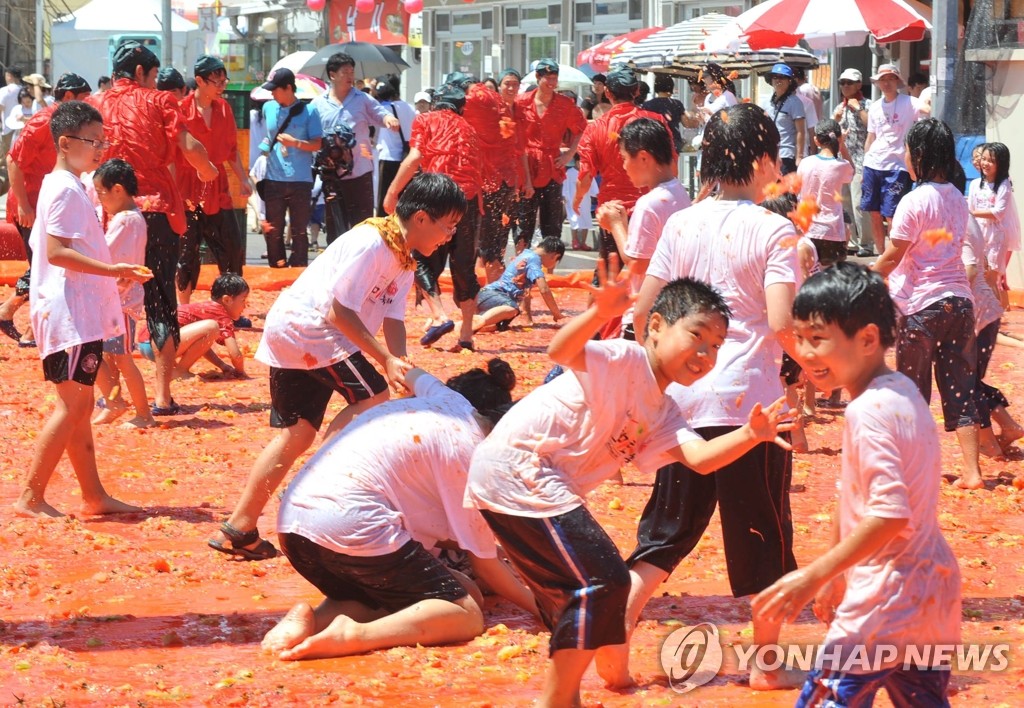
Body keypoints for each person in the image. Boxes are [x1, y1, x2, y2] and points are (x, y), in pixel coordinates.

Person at [467, 274, 795, 707]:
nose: (704, 354)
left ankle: (575, 690)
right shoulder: (625, 359)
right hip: (521, 473)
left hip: (536, 488)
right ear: (656, 326)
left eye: (716, 346)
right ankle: (559, 699)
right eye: (696, 336)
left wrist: (751, 435)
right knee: (602, 582)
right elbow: (560, 351)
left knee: (593, 588)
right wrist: (599, 314)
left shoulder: (664, 411)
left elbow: (699, 458)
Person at [602, 103, 803, 692]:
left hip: (683, 405)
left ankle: (613, 654)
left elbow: (645, 315)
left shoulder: (681, 223)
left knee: (663, 536)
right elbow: (781, 320)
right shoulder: (774, 228)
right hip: (753, 407)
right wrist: (817, 362)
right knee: (763, 533)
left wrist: (655, 384)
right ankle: (766, 668)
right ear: (763, 158)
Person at [207, 173, 465, 561]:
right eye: (448, 227)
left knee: (295, 434)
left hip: (298, 333)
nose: (449, 237)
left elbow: (393, 318)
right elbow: (338, 311)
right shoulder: (373, 242)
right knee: (374, 396)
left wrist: (402, 365)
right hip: (311, 331)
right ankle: (320, 482)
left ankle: (239, 527)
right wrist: (385, 363)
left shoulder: (404, 260)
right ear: (423, 218)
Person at [753, 263, 961, 708]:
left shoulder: (866, 411)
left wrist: (814, 575)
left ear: (867, 339)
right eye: (800, 338)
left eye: (818, 338)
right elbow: (856, 496)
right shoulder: (901, 388)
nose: (805, 353)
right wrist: (839, 575)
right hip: (933, 589)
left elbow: (889, 513)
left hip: (886, 594)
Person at [261, 360, 538, 661]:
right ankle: (354, 636)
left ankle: (314, 620)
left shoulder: (451, 400)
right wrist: (548, 608)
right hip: (351, 524)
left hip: (294, 527)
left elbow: (412, 373)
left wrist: (390, 359)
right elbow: (487, 566)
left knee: (428, 594)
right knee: (467, 610)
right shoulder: (474, 457)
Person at [14, 101, 152, 518]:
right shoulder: (63, 188)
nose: (100, 149)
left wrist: (110, 274)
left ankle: (93, 495)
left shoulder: (70, 186)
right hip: (68, 313)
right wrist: (112, 269)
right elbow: (57, 252)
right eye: (93, 141)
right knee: (73, 407)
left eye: (102, 140)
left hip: (77, 312)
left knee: (80, 405)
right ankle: (32, 496)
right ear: (64, 142)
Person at [96, 40, 219, 417]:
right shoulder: (159, 101)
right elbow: (190, 145)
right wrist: (207, 171)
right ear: (139, 73)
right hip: (156, 211)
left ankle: (112, 394)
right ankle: (163, 397)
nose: (152, 83)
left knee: (103, 299)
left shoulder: (96, 104)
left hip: (111, 215)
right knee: (160, 301)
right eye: (151, 76)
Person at [872, 119, 982, 489]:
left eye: (906, 150)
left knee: (912, 391)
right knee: (961, 388)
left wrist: (863, 279)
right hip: (960, 306)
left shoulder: (913, 200)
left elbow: (893, 256)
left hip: (921, 307)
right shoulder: (957, 196)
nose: (903, 156)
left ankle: (914, 471)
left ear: (917, 155)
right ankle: (972, 472)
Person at [383, 84, 482, 352]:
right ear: (460, 108)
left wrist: (392, 193)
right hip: (469, 201)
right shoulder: (469, 128)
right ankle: (466, 334)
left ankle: (440, 315)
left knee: (417, 257)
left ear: (437, 103)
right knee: (465, 267)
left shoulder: (425, 119)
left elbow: (415, 157)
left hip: (439, 193)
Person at [0, 72, 92, 349]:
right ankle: (28, 328)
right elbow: (13, 160)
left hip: (46, 205)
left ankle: (12, 314)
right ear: (68, 97)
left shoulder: (66, 123)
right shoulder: (44, 121)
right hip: (31, 206)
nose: (88, 105)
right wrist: (25, 205)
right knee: (47, 267)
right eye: (83, 99)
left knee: (47, 265)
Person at [595, 117, 690, 341]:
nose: (624, 166)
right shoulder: (679, 191)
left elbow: (638, 263)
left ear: (644, 157)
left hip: (647, 311)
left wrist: (615, 225)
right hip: (674, 305)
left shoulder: (649, 203)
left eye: (625, 158)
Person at [174, 55, 251, 304]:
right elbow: (172, 156)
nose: (221, 86)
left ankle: (229, 306)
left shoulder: (225, 109)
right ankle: (182, 309)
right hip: (187, 189)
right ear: (199, 81)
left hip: (217, 188)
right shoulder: (181, 110)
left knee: (232, 247)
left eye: (223, 80)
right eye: (215, 81)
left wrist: (244, 179)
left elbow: (230, 151)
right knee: (187, 252)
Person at [574, 68, 669, 266]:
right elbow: (672, 168)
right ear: (636, 92)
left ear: (607, 92)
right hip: (652, 204)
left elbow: (585, 175)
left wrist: (578, 199)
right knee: (655, 269)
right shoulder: (656, 120)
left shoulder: (595, 127)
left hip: (613, 208)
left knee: (609, 272)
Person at [90, 158, 156, 430]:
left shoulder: (126, 221)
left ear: (118, 190)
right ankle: (111, 402)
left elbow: (105, 256)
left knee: (123, 360)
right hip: (115, 300)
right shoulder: (129, 218)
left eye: (102, 193)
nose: (101, 199)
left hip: (121, 302)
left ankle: (143, 413)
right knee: (108, 357)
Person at [311, 53, 400, 243]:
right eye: (345, 72)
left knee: (363, 226)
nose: (350, 76)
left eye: (352, 71)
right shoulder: (318, 104)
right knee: (335, 226)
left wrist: (389, 120)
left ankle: (364, 267)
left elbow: (380, 113)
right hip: (332, 175)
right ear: (332, 75)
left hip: (360, 172)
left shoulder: (363, 99)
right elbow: (311, 134)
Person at [962, 211, 1024, 458]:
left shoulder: (957, 219)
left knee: (965, 382)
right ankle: (1008, 426)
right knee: (970, 380)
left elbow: (971, 270)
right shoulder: (963, 217)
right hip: (985, 311)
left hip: (975, 312)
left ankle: (990, 442)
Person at [515, 59, 587, 249]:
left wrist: (570, 154)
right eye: (548, 78)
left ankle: (549, 269)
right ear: (538, 77)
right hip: (526, 167)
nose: (552, 83)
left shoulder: (564, 104)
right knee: (523, 223)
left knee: (552, 223)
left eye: (554, 79)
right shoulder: (521, 102)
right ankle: (520, 267)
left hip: (552, 166)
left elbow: (582, 128)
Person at [258, 67, 323, 268]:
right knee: (273, 231)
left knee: (299, 231)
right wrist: (265, 146)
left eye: (275, 89)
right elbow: (269, 136)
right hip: (273, 179)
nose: (271, 93)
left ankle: (297, 273)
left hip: (300, 180)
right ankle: (275, 269)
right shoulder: (268, 108)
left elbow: (317, 144)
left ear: (288, 88)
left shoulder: (309, 111)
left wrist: (295, 143)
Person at [860, 64, 925, 257]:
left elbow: (929, 110)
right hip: (873, 164)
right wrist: (864, 166)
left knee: (892, 214)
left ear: (897, 81)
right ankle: (881, 255)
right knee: (873, 212)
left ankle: (895, 258)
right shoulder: (874, 107)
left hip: (897, 166)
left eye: (890, 78)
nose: (886, 83)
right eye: (883, 79)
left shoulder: (910, 102)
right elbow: (871, 138)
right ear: (878, 83)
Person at [138, 272, 251, 380]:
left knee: (210, 329)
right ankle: (180, 371)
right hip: (157, 345)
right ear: (227, 300)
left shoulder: (205, 308)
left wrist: (222, 365)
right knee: (212, 327)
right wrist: (241, 372)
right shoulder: (221, 315)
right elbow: (235, 355)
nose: (245, 305)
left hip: (146, 344)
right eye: (243, 300)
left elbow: (201, 345)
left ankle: (177, 370)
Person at [472, 236, 565, 332]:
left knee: (499, 327)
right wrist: (557, 314)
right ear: (555, 256)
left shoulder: (526, 254)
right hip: (493, 295)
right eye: (556, 261)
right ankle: (474, 323)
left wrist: (528, 320)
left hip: (487, 297)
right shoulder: (534, 260)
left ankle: (478, 322)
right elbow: (544, 290)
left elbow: (525, 295)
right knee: (512, 308)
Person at [797, 119, 855, 269]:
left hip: (808, 228)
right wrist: (842, 146)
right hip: (833, 229)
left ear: (816, 140)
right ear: (839, 138)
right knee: (831, 278)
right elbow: (852, 172)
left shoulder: (805, 162)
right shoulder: (842, 166)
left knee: (808, 275)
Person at [969, 142, 1022, 299]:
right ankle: (987, 315)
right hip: (978, 235)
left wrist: (972, 213)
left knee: (992, 278)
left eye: (991, 161)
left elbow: (998, 212)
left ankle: (996, 317)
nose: (985, 163)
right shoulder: (974, 184)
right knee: (978, 276)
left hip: (996, 236)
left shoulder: (1004, 185)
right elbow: (970, 209)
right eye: (984, 159)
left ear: (1001, 164)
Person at [832, 68, 875, 257]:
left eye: (849, 82)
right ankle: (851, 241)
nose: (845, 86)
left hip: (861, 161)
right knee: (845, 203)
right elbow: (830, 132)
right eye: (842, 83)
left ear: (859, 84)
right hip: (842, 162)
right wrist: (836, 119)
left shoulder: (868, 105)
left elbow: (872, 126)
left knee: (859, 204)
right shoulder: (839, 107)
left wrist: (858, 109)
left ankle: (866, 243)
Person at [373, 76, 415, 216]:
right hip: (406, 159)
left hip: (388, 157)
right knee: (404, 200)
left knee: (385, 200)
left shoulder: (384, 109)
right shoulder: (410, 108)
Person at [763, 63, 805, 175]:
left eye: (782, 77)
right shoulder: (765, 102)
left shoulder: (795, 103)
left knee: (785, 191)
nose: (778, 80)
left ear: (789, 81)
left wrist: (799, 156)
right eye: (775, 76)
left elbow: (801, 131)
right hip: (768, 155)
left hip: (786, 155)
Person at [642, 74, 685, 155]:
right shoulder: (677, 104)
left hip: (654, 142)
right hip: (674, 142)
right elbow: (686, 123)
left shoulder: (647, 105)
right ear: (671, 87)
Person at [0, 65, 23, 162]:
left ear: (9, 76)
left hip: (7, 129)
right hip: (22, 127)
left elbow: (0, 108)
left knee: (7, 156)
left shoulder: (4, 91)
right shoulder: (25, 90)